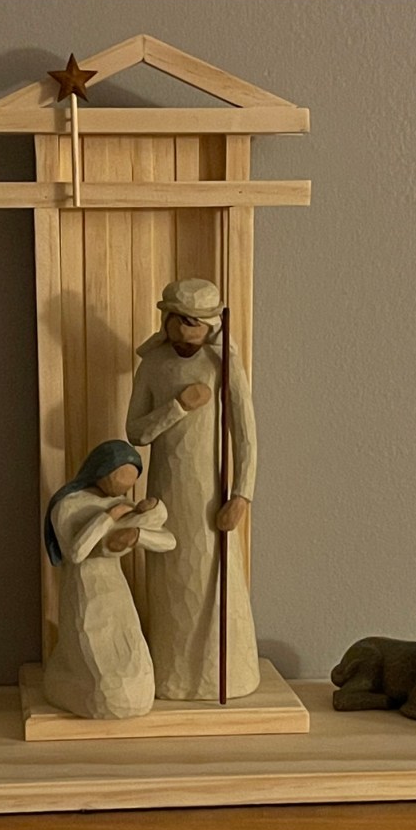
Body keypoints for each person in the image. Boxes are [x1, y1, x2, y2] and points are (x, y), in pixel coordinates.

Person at [126, 279, 260, 701]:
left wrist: (242, 495)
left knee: (212, 579)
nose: (185, 332)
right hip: (166, 495)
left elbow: (246, 434)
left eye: (195, 323)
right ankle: (172, 674)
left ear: (211, 324)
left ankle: (227, 673)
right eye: (178, 321)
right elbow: (136, 432)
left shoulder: (223, 365)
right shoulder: (153, 366)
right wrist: (178, 406)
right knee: (170, 584)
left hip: (210, 497)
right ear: (166, 319)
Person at [43, 440, 175, 719]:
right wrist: (108, 516)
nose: (124, 489)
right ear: (101, 470)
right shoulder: (68, 505)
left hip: (116, 593)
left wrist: (138, 535)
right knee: (104, 686)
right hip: (84, 593)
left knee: (138, 677)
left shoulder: (123, 504)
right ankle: (62, 681)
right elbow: (76, 553)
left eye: (130, 482)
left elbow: (168, 540)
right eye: (120, 479)